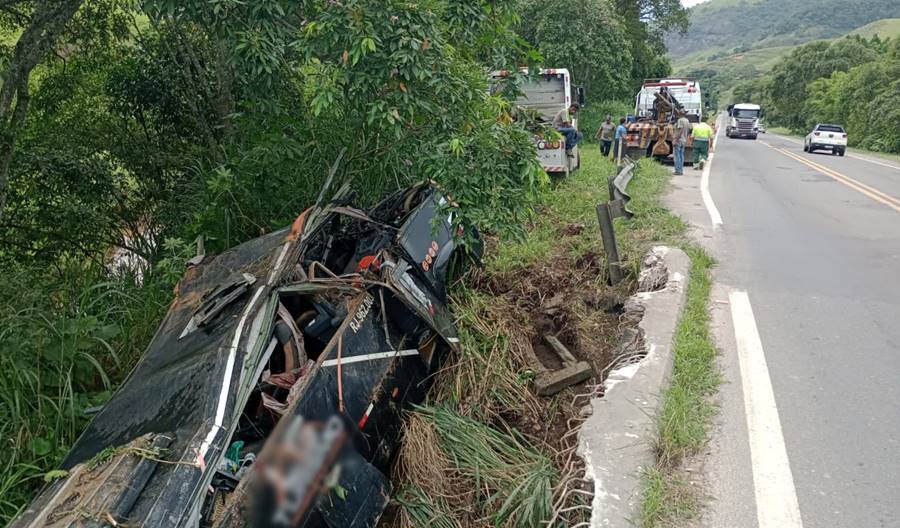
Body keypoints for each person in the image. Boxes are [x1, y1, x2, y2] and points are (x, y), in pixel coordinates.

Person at [672, 111, 691, 175]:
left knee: (677, 156)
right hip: (683, 140)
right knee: (681, 155)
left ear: (679, 114)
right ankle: (681, 170)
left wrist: (676, 140)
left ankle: (678, 171)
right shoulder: (687, 120)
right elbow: (688, 130)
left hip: (679, 140)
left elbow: (681, 129)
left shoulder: (680, 120)